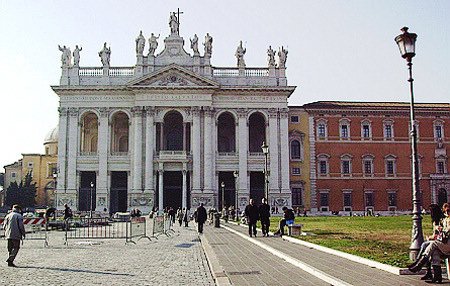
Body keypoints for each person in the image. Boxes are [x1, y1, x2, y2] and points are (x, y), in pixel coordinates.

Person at [409, 203, 450, 283]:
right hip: (443, 243)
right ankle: (437, 277)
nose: (447, 213)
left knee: (431, 244)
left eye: (448, 211)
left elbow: (446, 232)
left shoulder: (446, 220)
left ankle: (420, 263)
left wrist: (442, 230)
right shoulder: (445, 220)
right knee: (434, 252)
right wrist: (441, 230)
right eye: (445, 211)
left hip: (448, 245)